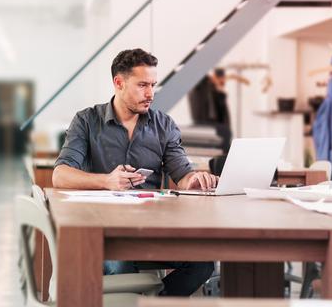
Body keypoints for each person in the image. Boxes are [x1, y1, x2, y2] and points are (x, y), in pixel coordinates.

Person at [52, 48, 217, 296]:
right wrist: (107, 181)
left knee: (203, 264)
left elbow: (182, 176)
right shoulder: (86, 121)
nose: (150, 93)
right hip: (105, 232)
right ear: (119, 83)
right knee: (121, 265)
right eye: (142, 85)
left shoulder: (164, 125)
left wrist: (194, 180)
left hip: (153, 231)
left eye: (153, 85)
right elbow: (60, 175)